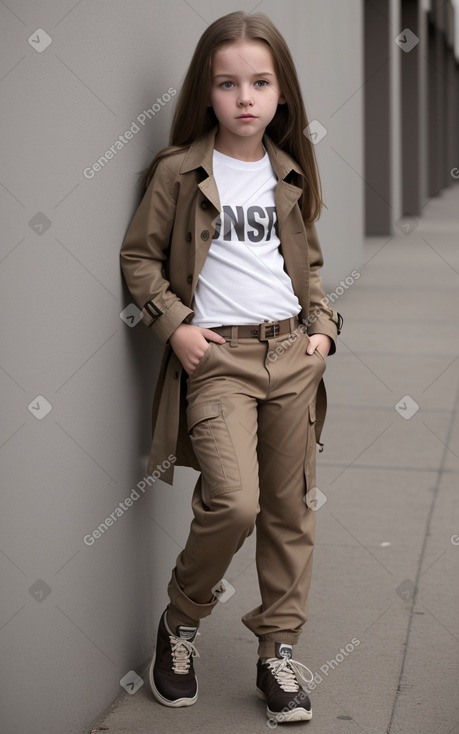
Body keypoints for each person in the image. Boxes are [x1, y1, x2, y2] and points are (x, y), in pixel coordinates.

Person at [120, 10, 342, 724]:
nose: (243, 97)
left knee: (288, 512)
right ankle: (180, 622)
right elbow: (139, 258)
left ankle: (276, 653)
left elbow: (307, 269)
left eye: (258, 82)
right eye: (226, 83)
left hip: (292, 355)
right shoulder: (179, 170)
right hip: (220, 362)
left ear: (281, 93)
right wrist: (175, 325)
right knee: (235, 502)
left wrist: (324, 331)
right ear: (205, 91)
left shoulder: (290, 173)